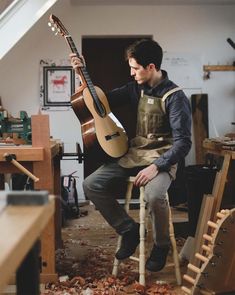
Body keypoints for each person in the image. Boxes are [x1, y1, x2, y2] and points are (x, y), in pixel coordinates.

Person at [70, 39, 191, 272]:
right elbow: (98, 103)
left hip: (164, 157)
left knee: (154, 196)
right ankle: (129, 230)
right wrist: (81, 75)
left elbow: (183, 143)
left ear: (152, 67)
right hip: (136, 153)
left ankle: (161, 246)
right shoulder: (134, 88)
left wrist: (157, 166)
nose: (131, 72)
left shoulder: (175, 97)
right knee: (91, 184)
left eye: (135, 68)